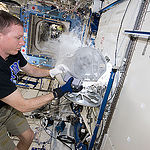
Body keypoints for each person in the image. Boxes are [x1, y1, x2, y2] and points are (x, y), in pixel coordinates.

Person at [0, 10, 81, 150]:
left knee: (29, 136)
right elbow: (23, 106)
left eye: (23, 37)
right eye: (18, 37)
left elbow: (31, 70)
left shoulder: (13, 53)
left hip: (7, 108)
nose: (22, 42)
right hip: (9, 108)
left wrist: (52, 72)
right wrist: (58, 92)